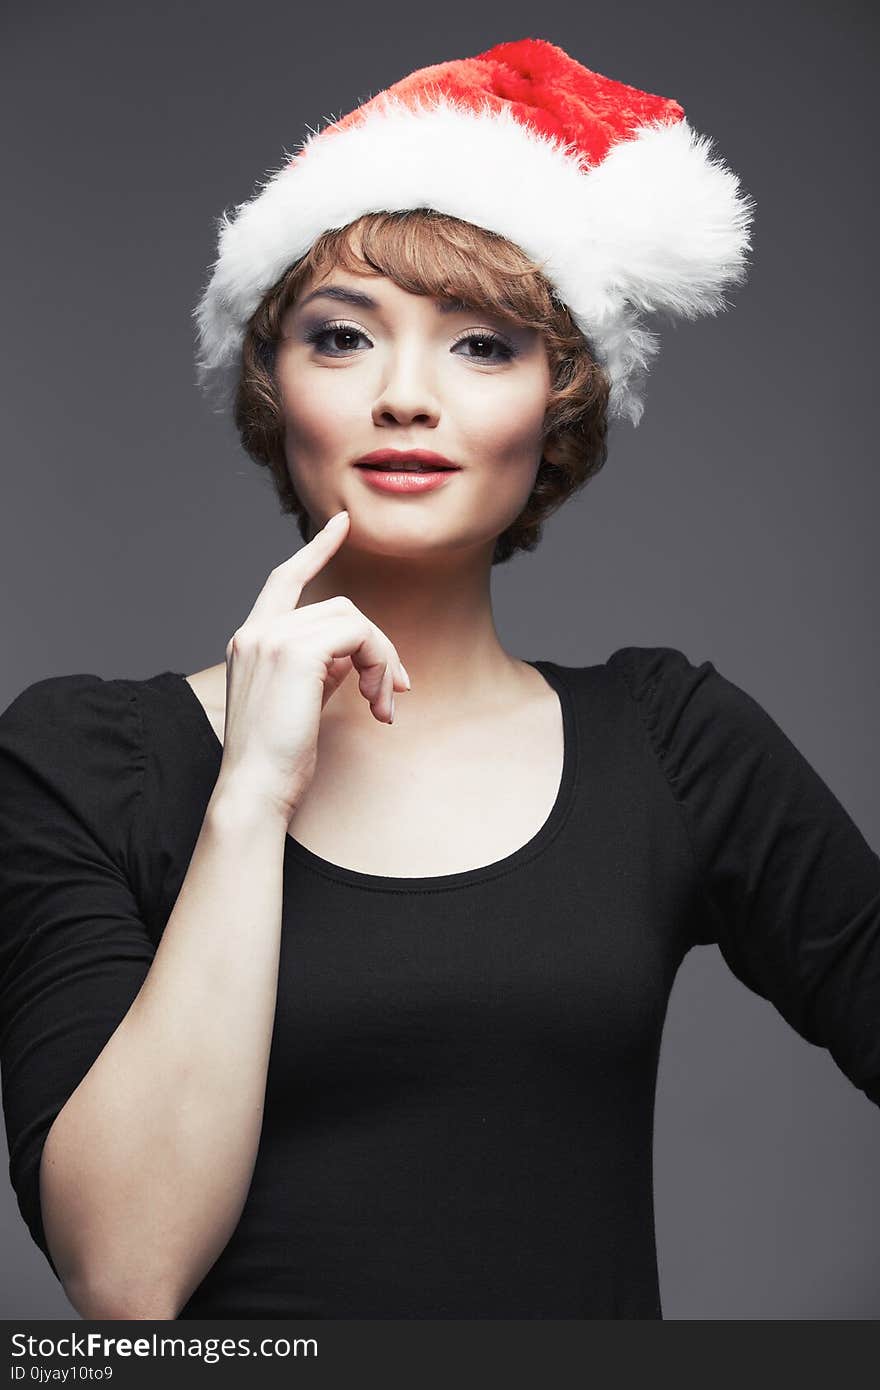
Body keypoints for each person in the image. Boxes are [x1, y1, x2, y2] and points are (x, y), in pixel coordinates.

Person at [0, 37, 878, 1322]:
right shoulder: (81, 760)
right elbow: (125, 1280)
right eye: (343, 336)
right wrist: (251, 792)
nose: (406, 396)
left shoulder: (672, 743)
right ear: (274, 388)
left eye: (482, 346)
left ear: (557, 405)